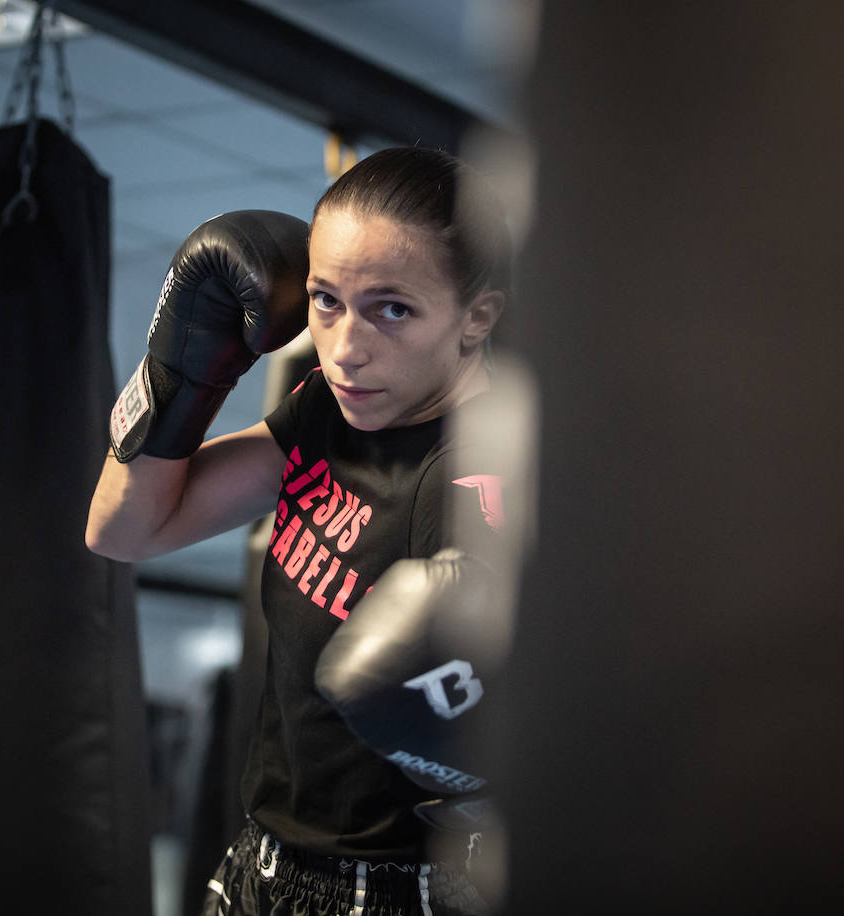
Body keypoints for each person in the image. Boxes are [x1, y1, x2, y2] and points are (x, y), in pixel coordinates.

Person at [87, 146, 511, 916]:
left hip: (405, 893)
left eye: (393, 308)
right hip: (261, 863)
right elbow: (123, 529)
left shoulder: (481, 481)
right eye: (325, 300)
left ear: (477, 316)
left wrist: (476, 774)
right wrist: (179, 367)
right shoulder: (327, 409)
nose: (346, 348)